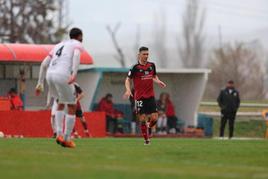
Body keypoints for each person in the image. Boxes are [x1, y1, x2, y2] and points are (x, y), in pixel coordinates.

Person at [35, 27, 84, 148]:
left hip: (50, 75)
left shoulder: (59, 45)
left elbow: (44, 63)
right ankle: (66, 138)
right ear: (79, 36)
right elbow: (77, 55)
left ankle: (58, 134)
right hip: (62, 75)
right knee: (72, 105)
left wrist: (40, 83)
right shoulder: (77, 44)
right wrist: (74, 74)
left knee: (60, 103)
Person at [123, 46, 166, 145]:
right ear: (139, 55)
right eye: (144, 54)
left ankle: (149, 127)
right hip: (139, 97)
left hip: (150, 96)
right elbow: (127, 80)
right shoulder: (135, 68)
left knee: (154, 118)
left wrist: (158, 81)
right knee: (142, 119)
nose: (146, 56)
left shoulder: (152, 65)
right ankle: (146, 140)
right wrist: (128, 90)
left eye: (147, 54)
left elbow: (154, 76)